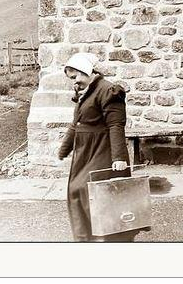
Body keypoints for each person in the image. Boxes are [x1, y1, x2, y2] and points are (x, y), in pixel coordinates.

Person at [58, 52, 140, 242]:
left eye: (76, 76)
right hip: (85, 153)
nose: (74, 82)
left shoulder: (108, 91)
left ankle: (110, 238)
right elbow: (76, 123)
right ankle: (88, 238)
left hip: (103, 151)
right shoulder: (84, 92)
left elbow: (115, 125)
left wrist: (118, 157)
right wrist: (65, 147)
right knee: (76, 190)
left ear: (86, 71)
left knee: (94, 193)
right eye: (71, 79)